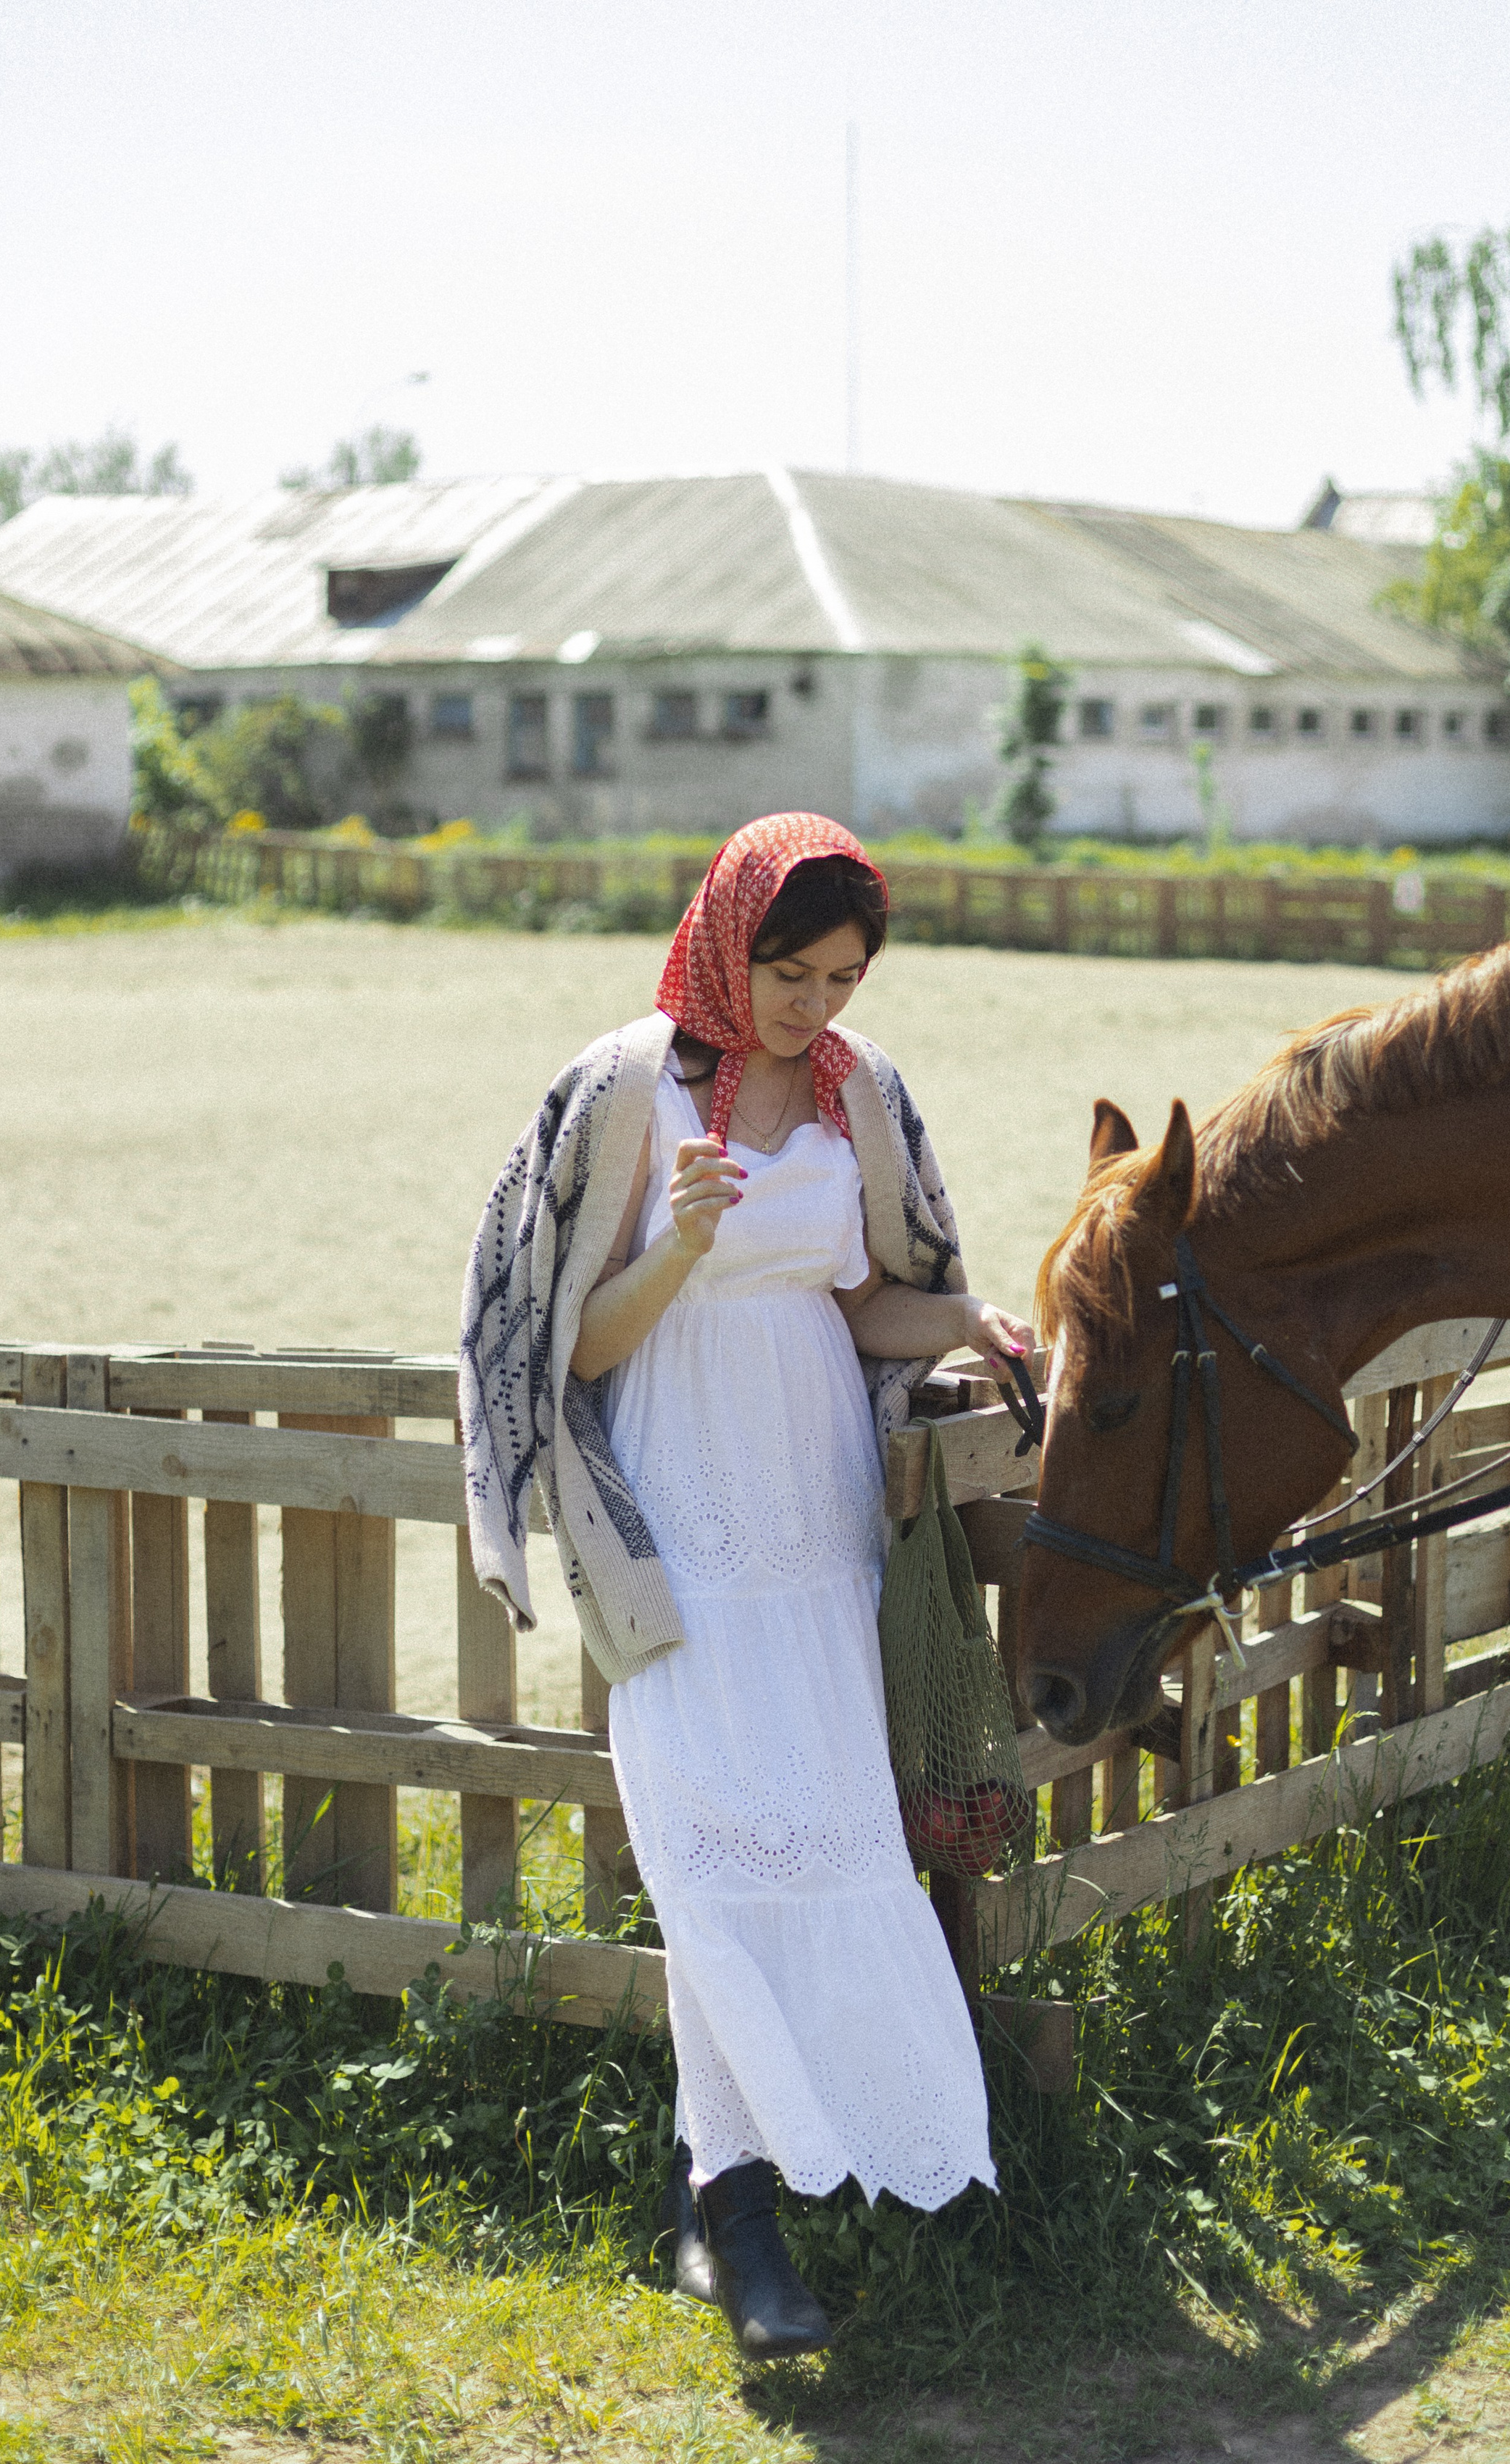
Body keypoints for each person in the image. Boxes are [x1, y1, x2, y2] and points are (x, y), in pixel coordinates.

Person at [460, 812, 1034, 2361]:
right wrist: (681, 1242)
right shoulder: (630, 1090)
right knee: (713, 1854)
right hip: (677, 1520)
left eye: (843, 976)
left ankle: (777, 2166)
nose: (814, 1006)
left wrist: (969, 1318)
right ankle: (739, 2213)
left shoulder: (862, 1096)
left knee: (833, 1837)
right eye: (791, 970)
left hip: (820, 1516)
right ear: (728, 939)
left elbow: (858, 1303)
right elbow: (574, 1343)